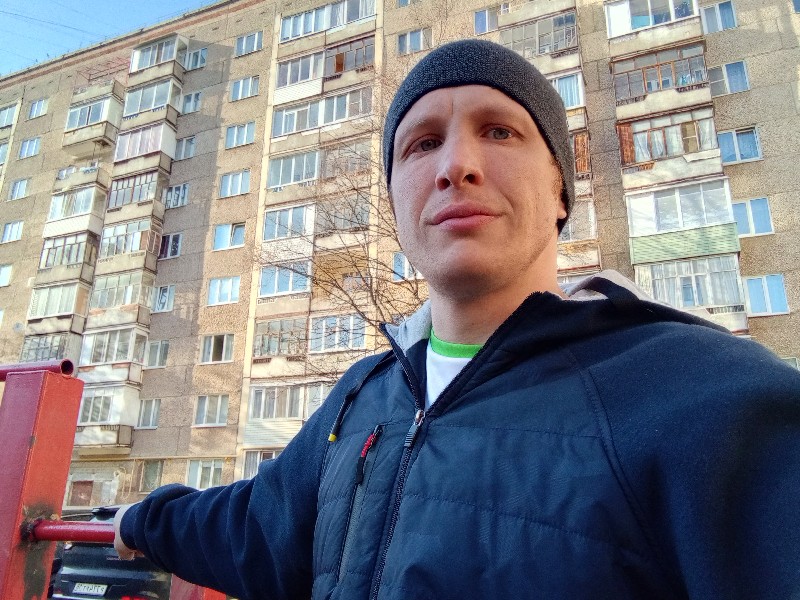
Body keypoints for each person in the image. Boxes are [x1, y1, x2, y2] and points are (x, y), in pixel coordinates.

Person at [115, 40, 800, 599]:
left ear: (560, 189)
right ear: (395, 200)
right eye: (421, 144)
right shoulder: (363, 395)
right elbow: (256, 533)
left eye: (499, 131)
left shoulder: (708, 398)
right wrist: (142, 520)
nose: (456, 166)